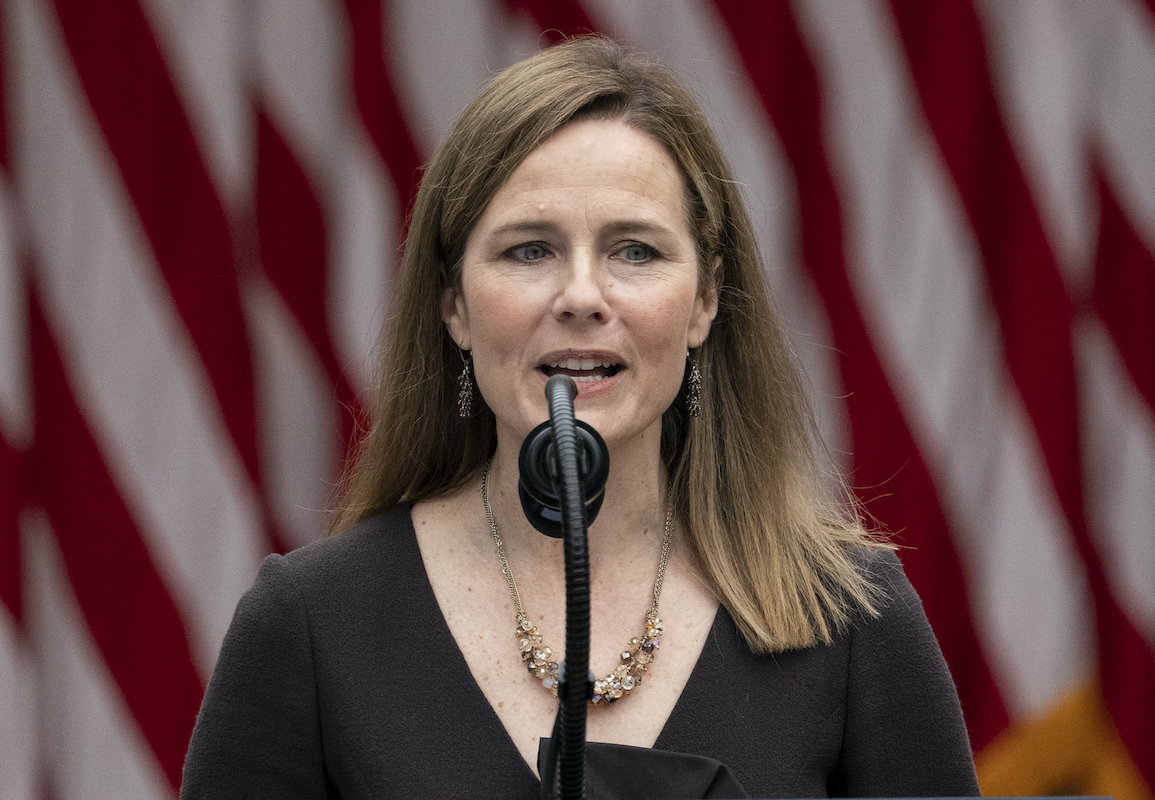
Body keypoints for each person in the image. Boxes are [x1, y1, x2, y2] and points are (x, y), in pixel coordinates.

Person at [181, 36, 979, 799]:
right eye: (530, 250)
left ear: (705, 301)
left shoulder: (850, 622)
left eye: (635, 250)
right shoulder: (310, 626)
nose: (582, 297)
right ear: (453, 305)